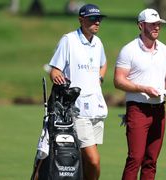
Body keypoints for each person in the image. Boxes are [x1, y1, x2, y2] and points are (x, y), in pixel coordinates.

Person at [114, 8, 166, 180]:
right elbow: (119, 80)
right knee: (135, 158)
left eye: (158, 24)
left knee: (151, 160)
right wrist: (144, 89)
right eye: (152, 24)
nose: (157, 27)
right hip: (137, 109)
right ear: (141, 25)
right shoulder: (129, 50)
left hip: (159, 109)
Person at [48, 4, 108, 180]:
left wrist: (100, 79)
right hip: (77, 108)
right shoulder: (69, 40)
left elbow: (103, 64)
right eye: (92, 19)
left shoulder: (98, 43)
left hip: (96, 108)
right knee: (94, 160)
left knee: (85, 160)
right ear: (81, 20)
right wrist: (56, 76)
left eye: (99, 19)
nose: (97, 22)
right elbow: (54, 69)